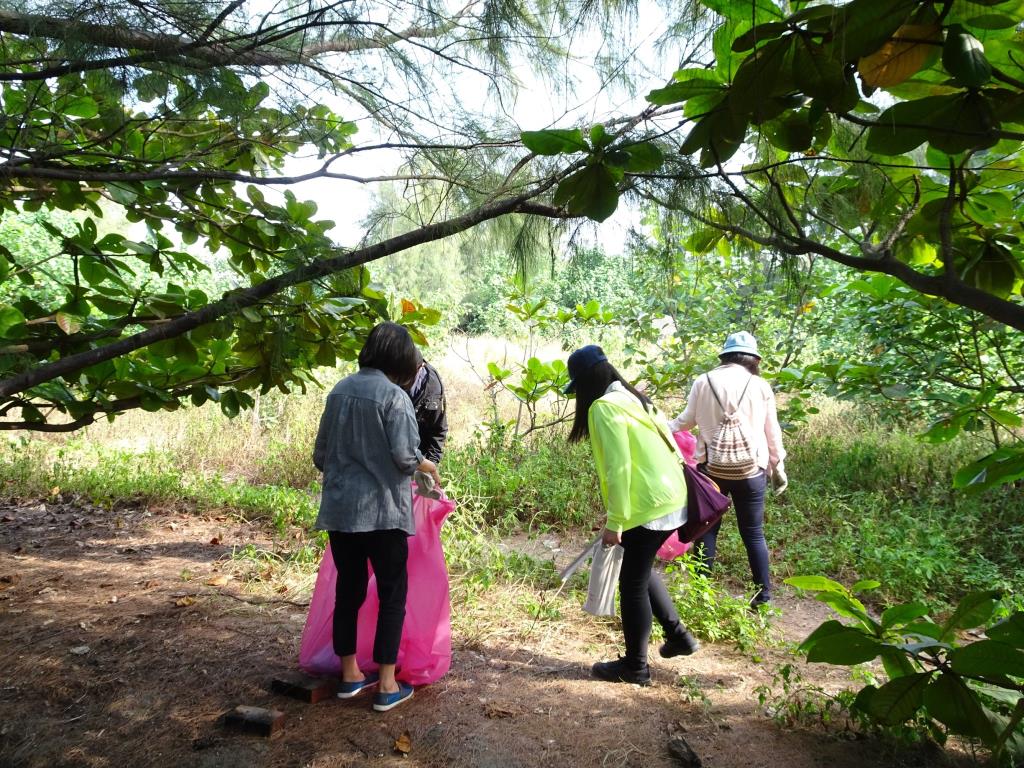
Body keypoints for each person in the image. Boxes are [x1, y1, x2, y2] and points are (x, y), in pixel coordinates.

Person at [313, 321, 441, 712]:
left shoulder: (338, 392)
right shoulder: (394, 397)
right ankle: (387, 685)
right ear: (398, 359)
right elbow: (405, 459)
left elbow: (320, 457)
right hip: (384, 514)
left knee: (348, 591)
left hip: (340, 512)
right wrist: (429, 468)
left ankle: (349, 675)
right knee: (391, 595)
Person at [566, 344, 699, 686]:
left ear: (586, 382)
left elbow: (619, 468)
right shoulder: (634, 398)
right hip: (672, 497)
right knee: (640, 569)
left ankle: (636, 667)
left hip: (647, 505)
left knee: (632, 583)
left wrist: (616, 522)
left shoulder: (604, 408)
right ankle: (678, 636)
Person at [668, 331, 787, 609]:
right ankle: (762, 598)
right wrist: (777, 466)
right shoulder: (760, 386)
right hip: (751, 472)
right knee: (753, 533)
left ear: (724, 356)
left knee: (707, 531)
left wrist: (660, 427)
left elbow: (685, 421)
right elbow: (773, 432)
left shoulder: (704, 380)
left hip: (711, 471)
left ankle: (700, 594)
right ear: (754, 359)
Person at [406, 348, 448, 464]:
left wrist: (431, 464)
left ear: (421, 367)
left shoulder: (432, 389)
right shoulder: (389, 384)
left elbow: (438, 430)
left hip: (420, 454)